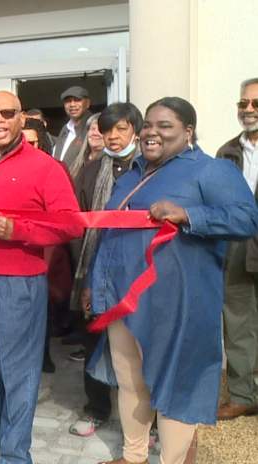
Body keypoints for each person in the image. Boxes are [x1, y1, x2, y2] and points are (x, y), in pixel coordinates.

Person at [85, 97, 258, 464]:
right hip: (123, 300)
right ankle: (134, 457)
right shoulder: (130, 174)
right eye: (148, 124)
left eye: (165, 125)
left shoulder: (211, 170)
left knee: (174, 383)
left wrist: (187, 214)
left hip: (177, 302)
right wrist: (94, 285)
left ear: (188, 132)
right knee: (130, 379)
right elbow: (110, 233)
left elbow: (247, 219)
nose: (152, 132)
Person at [0, 91, 82, 463]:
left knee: (17, 373)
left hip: (17, 284)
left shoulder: (45, 166)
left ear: (22, 118)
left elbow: (70, 223)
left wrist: (19, 230)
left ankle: (14, 453)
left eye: (7, 113)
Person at [66, 103, 143, 438]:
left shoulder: (150, 167)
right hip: (94, 269)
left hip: (139, 271)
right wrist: (84, 274)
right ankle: (97, 409)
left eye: (121, 129)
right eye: (107, 129)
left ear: (136, 132)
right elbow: (76, 222)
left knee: (141, 345)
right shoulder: (92, 170)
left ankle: (144, 418)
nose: (113, 137)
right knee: (94, 338)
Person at [215, 77, 258, 421]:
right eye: (243, 104)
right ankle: (243, 394)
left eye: (255, 104)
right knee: (238, 321)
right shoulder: (227, 151)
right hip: (239, 246)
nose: (248, 110)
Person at [52, 86, 92, 168]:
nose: (72, 104)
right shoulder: (65, 129)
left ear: (87, 103)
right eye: (68, 101)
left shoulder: (93, 127)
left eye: (77, 100)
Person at [68, 113, 104, 181]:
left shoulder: (108, 164)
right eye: (92, 129)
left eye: (100, 130)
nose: (95, 133)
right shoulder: (80, 160)